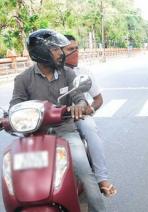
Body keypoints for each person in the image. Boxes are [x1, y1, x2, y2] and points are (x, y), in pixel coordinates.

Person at [10, 29, 106, 212]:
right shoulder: (22, 79)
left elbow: (79, 97)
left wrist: (79, 105)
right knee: (18, 176)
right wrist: (9, 117)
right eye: (55, 49)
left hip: (65, 132)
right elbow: (15, 104)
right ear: (40, 52)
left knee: (85, 173)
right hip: (34, 136)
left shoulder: (67, 74)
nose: (60, 53)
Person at [63, 34, 117, 197]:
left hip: (79, 117)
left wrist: (89, 110)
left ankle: (102, 178)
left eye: (77, 48)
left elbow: (98, 99)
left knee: (90, 127)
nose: (76, 52)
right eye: (70, 49)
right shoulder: (52, 73)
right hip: (56, 119)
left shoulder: (84, 72)